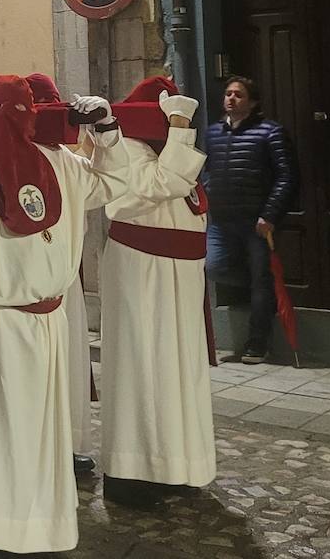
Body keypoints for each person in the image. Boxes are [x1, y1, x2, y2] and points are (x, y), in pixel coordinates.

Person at [0, 77, 128, 559]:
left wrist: (108, 129)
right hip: (0, 327)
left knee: (47, 432)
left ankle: (43, 525)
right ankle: (3, 533)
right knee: (7, 433)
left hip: (51, 320)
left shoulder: (59, 162)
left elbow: (115, 182)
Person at [100, 77, 215, 510]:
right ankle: (131, 471)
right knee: (143, 365)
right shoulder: (126, 147)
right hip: (143, 273)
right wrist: (182, 128)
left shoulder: (159, 149)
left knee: (177, 370)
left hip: (175, 275)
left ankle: (176, 464)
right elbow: (156, 185)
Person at [24, 72, 96, 476]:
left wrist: (107, 133)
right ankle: (39, 450)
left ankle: (68, 444)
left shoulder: (69, 162)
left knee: (67, 366)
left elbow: (110, 183)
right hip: (22, 288)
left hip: (64, 283)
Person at [203, 76, 297, 364]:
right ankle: (261, 288)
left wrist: (270, 215)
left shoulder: (270, 132)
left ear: (252, 102)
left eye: (239, 95)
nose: (231, 98)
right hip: (220, 219)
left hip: (256, 221)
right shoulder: (213, 133)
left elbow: (287, 176)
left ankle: (257, 343)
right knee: (213, 266)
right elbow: (206, 169)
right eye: (228, 94)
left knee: (261, 281)